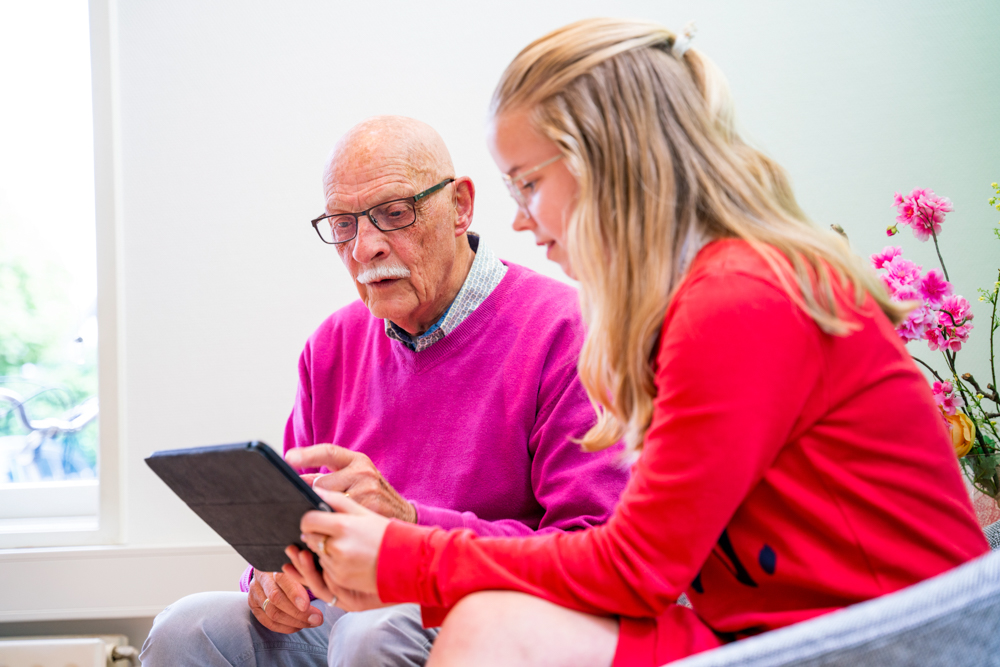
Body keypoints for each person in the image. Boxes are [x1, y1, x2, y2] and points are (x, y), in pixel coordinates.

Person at [282, 18, 991, 667]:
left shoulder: (739, 299)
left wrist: (408, 555)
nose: (520, 219)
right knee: (489, 624)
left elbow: (636, 568)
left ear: (608, 164)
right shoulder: (702, 296)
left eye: (529, 183)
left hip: (886, 640)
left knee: (487, 631)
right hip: (763, 626)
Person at [139, 115, 629, 667]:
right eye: (343, 224)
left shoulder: (568, 330)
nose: (365, 248)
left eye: (395, 214)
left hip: (492, 614)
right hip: (350, 613)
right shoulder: (331, 346)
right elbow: (292, 521)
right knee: (186, 627)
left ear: (460, 206)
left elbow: (592, 547)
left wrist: (410, 525)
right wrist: (272, 575)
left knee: (374, 632)